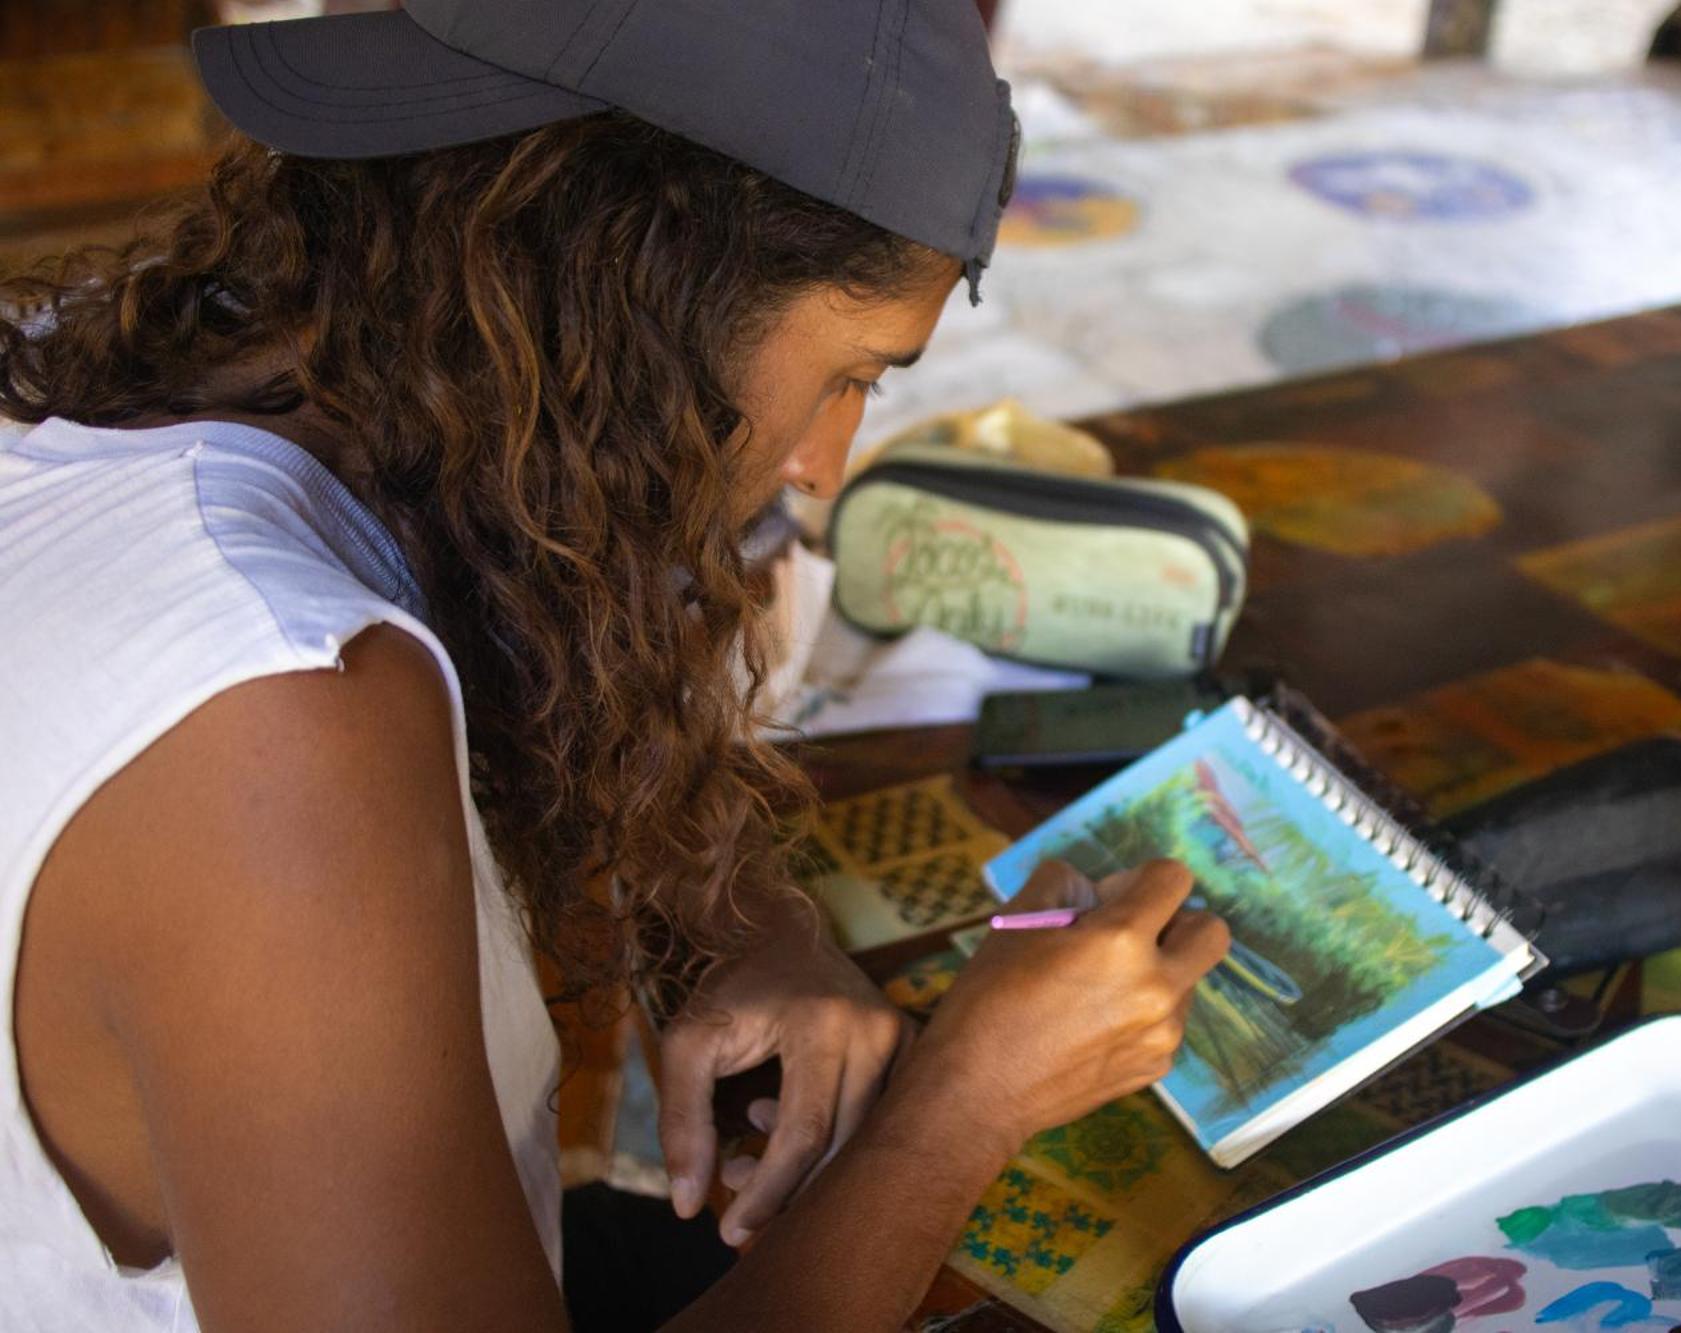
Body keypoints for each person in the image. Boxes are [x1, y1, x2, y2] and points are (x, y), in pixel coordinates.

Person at [0, 1, 1231, 1329]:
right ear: (636, 298)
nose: (828, 461)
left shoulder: (121, 370)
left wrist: (739, 916)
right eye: (852, 372)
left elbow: (524, 651)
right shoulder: (280, 719)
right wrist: (969, 1101)